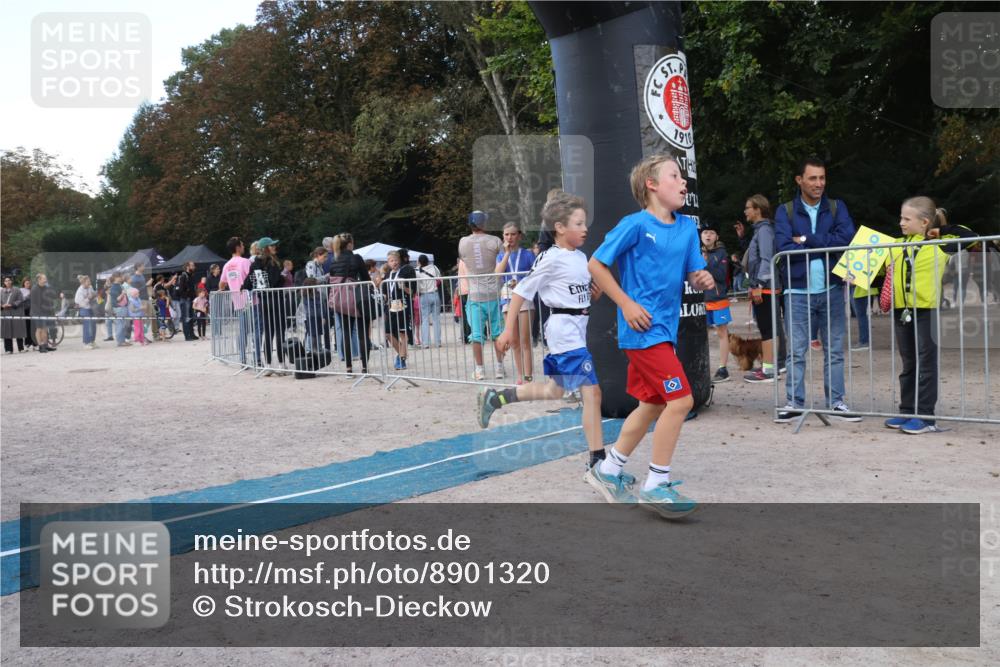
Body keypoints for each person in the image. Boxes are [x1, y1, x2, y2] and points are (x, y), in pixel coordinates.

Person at [587, 154, 714, 518]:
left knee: (654, 404)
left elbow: (695, 272)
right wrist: (626, 304)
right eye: (675, 176)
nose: (683, 182)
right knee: (681, 401)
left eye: (683, 177)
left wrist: (702, 278)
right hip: (642, 333)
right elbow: (596, 263)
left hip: (664, 332)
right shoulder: (635, 225)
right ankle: (656, 484)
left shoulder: (687, 228)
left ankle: (608, 470)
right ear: (652, 185)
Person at [477, 192, 611, 472]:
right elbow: (520, 292)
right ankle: (598, 460)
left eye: (585, 222)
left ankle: (497, 397)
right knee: (593, 392)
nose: (585, 228)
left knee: (554, 391)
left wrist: (592, 297)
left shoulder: (580, 257)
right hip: (564, 333)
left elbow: (576, 296)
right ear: (560, 228)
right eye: (578, 223)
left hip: (576, 327)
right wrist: (507, 331)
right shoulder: (550, 258)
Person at [773, 157, 859, 423]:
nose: (819, 183)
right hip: (797, 292)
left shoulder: (836, 207)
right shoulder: (785, 211)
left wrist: (807, 240)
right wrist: (822, 246)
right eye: (813, 178)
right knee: (796, 351)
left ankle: (836, 402)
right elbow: (784, 248)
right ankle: (794, 402)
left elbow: (846, 239)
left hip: (832, 288)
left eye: (822, 178)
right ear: (799, 180)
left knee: (834, 350)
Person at [883, 198, 975, 434]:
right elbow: (877, 272)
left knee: (926, 364)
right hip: (901, 310)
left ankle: (925, 417)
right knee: (908, 364)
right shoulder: (895, 243)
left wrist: (940, 230)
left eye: (906, 219)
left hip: (927, 310)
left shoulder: (941, 243)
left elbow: (969, 235)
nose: (901, 222)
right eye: (901, 217)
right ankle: (907, 411)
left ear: (924, 222)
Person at [458, 210, 506, 380]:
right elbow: (502, 262)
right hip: (494, 292)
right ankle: (500, 367)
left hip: (475, 294)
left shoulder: (463, 242)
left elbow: (464, 258)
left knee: (476, 334)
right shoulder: (495, 241)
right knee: (498, 333)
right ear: (483, 224)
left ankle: (480, 369)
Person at [743, 194, 784, 382]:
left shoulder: (765, 230)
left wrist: (759, 284)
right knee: (767, 328)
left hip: (766, 287)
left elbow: (767, 259)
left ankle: (769, 370)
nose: (745, 211)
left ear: (758, 209)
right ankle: (770, 367)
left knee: (768, 329)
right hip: (763, 286)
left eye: (748, 207)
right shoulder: (760, 230)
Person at [496, 222, 537, 384]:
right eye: (506, 234)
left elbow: (535, 275)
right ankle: (520, 374)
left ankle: (528, 376)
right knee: (513, 340)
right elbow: (498, 273)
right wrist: (506, 253)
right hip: (507, 298)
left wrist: (520, 281)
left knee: (525, 340)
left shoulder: (527, 254)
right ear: (503, 237)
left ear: (519, 236)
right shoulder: (501, 255)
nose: (510, 237)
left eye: (513, 234)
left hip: (525, 298)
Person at [328, 233, 372, 376]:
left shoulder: (335, 259)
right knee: (362, 333)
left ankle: (348, 368)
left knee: (346, 333)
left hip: (340, 299)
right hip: (355, 299)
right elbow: (365, 278)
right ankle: (365, 367)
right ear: (350, 244)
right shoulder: (356, 258)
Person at [248, 237, 287, 373]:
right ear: (266, 248)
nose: (274, 247)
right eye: (272, 246)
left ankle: (268, 365)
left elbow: (249, 281)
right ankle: (281, 365)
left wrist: (243, 288)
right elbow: (275, 280)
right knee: (280, 332)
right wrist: (283, 278)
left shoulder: (254, 263)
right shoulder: (273, 262)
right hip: (275, 299)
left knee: (268, 333)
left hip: (263, 300)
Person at [700, 224, 732, 382]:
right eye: (705, 232)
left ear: (717, 237)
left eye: (712, 232)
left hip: (718, 298)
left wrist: (705, 263)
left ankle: (723, 368)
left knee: (722, 333)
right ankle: (701, 367)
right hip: (700, 301)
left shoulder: (721, 253)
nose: (708, 235)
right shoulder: (695, 251)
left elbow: (720, 275)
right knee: (700, 334)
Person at [222, 237, 253, 366]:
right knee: (256, 329)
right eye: (242, 245)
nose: (244, 247)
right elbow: (252, 278)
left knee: (242, 330)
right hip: (250, 300)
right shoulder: (245, 262)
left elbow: (222, 283)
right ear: (238, 248)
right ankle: (256, 359)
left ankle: (242, 358)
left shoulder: (227, 264)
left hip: (238, 301)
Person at [382, 250, 414, 370]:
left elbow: (412, 292)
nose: (394, 263)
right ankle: (401, 353)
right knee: (388, 333)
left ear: (399, 260)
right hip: (390, 306)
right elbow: (385, 292)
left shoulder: (406, 272)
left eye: (395, 260)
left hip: (403, 305)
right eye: (391, 261)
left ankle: (401, 358)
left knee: (403, 332)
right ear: (388, 262)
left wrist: (404, 287)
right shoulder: (388, 275)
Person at [415, 255, 442, 348]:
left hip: (424, 295)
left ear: (419, 262)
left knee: (425, 319)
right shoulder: (434, 267)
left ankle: (426, 343)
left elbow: (417, 285)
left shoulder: (417, 271)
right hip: (435, 293)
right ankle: (438, 342)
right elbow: (439, 279)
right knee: (436, 319)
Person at [30, 273, 60, 353]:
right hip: (37, 313)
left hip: (46, 312)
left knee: (45, 329)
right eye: (44, 278)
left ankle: (46, 345)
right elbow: (34, 303)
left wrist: (58, 295)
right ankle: (40, 346)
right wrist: (39, 314)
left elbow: (51, 297)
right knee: (39, 329)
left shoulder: (46, 287)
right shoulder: (34, 289)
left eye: (45, 278)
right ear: (39, 279)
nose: (45, 280)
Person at [1, 276, 26, 353]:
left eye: (9, 280)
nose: (7, 282)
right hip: (5, 313)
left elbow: (20, 300)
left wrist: (12, 305)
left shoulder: (17, 290)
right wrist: (2, 306)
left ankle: (21, 348)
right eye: (6, 281)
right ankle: (8, 349)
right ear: (4, 282)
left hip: (16, 312)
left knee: (18, 330)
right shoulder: (1, 291)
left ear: (11, 281)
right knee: (7, 331)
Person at [174, 261, 198, 340]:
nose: (194, 267)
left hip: (191, 299)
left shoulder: (191, 275)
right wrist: (186, 296)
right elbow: (181, 289)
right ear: (188, 266)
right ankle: (187, 336)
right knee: (186, 317)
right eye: (192, 265)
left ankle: (191, 334)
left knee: (191, 317)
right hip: (185, 300)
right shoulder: (184, 276)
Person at [74, 275, 99, 349]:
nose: (90, 283)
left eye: (89, 281)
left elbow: (93, 294)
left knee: (93, 325)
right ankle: (86, 343)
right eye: (88, 282)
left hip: (91, 308)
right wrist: (88, 298)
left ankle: (92, 341)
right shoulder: (80, 291)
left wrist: (95, 294)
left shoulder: (90, 287)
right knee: (87, 325)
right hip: (83, 309)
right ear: (83, 283)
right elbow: (81, 304)